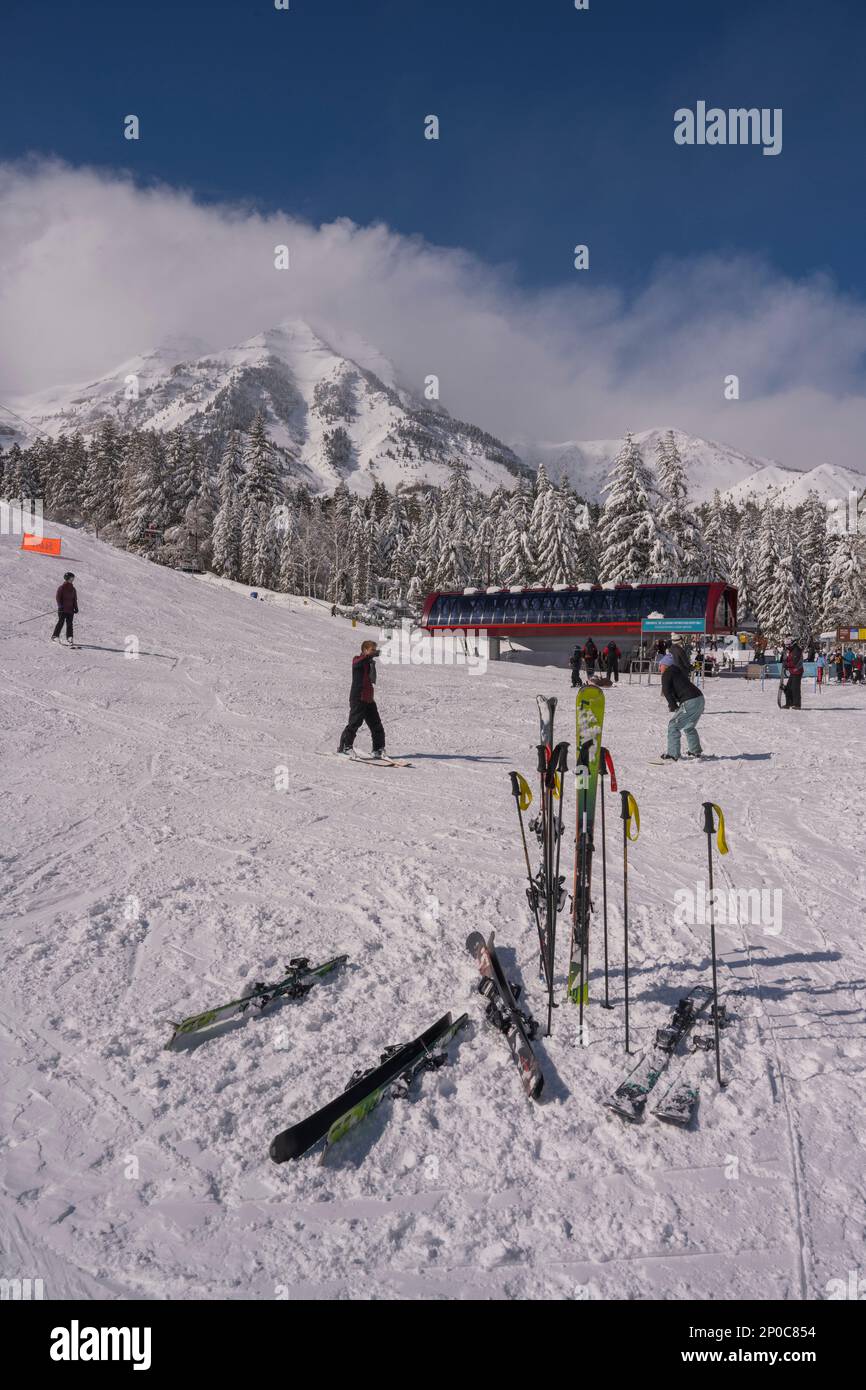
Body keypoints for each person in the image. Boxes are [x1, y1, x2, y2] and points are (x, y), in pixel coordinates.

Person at [338, 639, 386, 757]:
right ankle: (345, 747)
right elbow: (358, 662)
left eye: (375, 650)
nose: (374, 652)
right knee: (354, 723)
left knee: (376, 725)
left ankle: (378, 749)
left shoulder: (369, 663)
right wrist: (368, 656)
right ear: (365, 650)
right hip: (358, 697)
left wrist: (371, 656)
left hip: (369, 699)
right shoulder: (358, 660)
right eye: (372, 650)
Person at [657, 649, 705, 761]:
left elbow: (666, 691)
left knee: (673, 725)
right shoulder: (677, 671)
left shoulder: (667, 674)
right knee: (689, 726)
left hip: (690, 700)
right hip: (699, 698)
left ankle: (673, 754)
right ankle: (695, 750)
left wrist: (673, 706)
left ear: (665, 665)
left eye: (660, 665)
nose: (659, 668)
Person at [52, 572, 78, 645]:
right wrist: (60, 606)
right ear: (67, 578)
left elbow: (74, 599)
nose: (72, 580)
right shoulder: (62, 588)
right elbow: (58, 597)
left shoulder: (73, 589)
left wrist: (76, 607)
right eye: (71, 578)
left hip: (70, 610)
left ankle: (69, 637)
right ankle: (55, 636)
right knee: (61, 622)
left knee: (70, 624)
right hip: (63, 609)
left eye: (73, 578)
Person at [783, 637, 804, 709]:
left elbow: (794, 662)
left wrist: (787, 664)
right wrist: (785, 661)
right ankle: (789, 703)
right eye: (786, 645)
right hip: (793, 671)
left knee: (795, 688)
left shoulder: (796, 650)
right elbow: (788, 659)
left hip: (797, 671)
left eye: (788, 645)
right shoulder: (790, 650)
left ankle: (797, 704)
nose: (787, 647)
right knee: (788, 687)